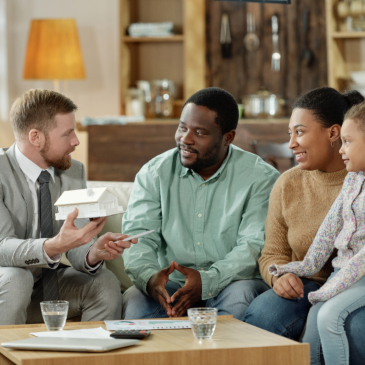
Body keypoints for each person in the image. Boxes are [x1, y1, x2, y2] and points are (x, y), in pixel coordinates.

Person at [121, 87, 280, 320]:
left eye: (200, 132)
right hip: (173, 285)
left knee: (241, 297)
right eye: (182, 127)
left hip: (233, 282)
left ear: (228, 137)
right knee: (136, 301)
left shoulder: (261, 178)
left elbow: (253, 246)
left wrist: (206, 281)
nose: (185, 139)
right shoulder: (155, 173)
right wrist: (150, 278)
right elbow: (138, 237)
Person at [243, 87, 365, 364]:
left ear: (333, 134)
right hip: (308, 284)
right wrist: (280, 275)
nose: (291, 144)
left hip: (351, 281)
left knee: (348, 324)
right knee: (264, 314)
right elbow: (273, 252)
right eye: (290, 134)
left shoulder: (357, 177)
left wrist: (327, 293)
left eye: (299, 132)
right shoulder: (288, 183)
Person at [0, 89, 137, 325]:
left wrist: (93, 253)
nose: (76, 141)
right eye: (67, 133)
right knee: (17, 278)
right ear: (36, 137)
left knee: (105, 281)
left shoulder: (73, 171)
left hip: (46, 284)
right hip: (7, 284)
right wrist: (54, 245)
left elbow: (75, 242)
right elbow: (2, 248)